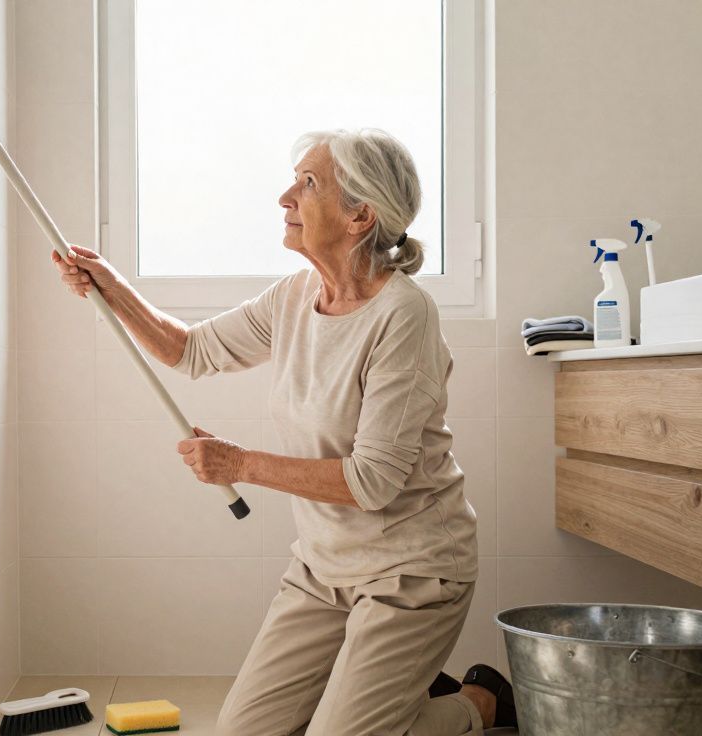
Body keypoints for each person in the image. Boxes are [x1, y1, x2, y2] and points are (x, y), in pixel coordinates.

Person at [49, 128, 517, 735]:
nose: (285, 197)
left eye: (308, 183)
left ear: (360, 216)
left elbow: (372, 482)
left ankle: (474, 704)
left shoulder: (405, 314)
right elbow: (189, 351)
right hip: (324, 571)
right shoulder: (295, 297)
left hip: (412, 572)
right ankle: (390, 694)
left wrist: (238, 464)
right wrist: (111, 287)